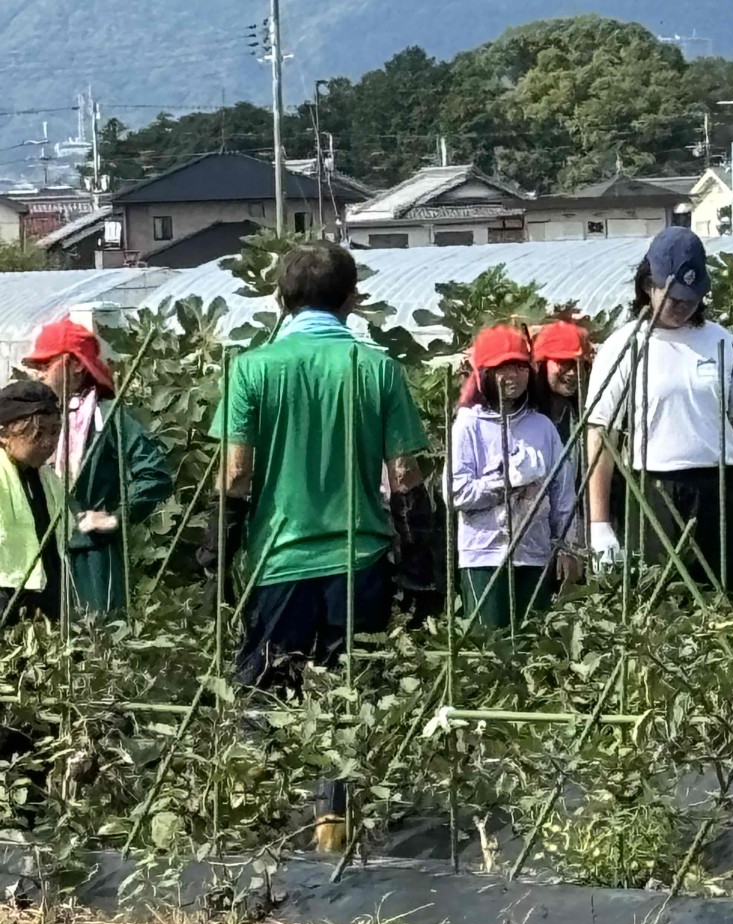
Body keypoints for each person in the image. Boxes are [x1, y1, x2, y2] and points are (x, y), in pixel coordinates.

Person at [200, 241, 436, 850]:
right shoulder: (375, 368)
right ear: (352, 299)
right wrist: (419, 567)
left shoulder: (253, 369)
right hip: (359, 559)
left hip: (279, 559)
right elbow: (404, 475)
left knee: (263, 690)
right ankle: (334, 819)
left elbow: (235, 474)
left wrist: (217, 555)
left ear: (280, 298)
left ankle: (258, 822)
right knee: (348, 695)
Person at [586, 227, 733, 589]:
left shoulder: (720, 341)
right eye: (674, 298)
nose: (682, 307)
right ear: (649, 285)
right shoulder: (623, 346)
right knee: (663, 601)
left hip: (720, 492)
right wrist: (599, 524)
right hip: (654, 494)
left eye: (691, 299)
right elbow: (601, 435)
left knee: (729, 597)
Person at [24, 318, 172, 615]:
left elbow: (155, 473)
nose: (39, 373)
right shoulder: (31, 422)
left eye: (47, 364)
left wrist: (116, 516)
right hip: (40, 553)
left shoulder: (107, 417)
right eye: (37, 366)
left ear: (76, 366)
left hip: (91, 556)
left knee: (96, 634)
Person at [448, 324, 579, 628]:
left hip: (534, 554)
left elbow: (562, 495)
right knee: (490, 642)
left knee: (534, 640)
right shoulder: (469, 425)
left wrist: (567, 546)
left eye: (520, 367)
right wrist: (505, 483)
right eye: (503, 368)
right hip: (485, 555)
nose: (514, 376)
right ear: (485, 373)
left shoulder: (541, 427)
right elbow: (456, 493)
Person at [0, 381, 63, 623]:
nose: (49, 443)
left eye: (54, 432)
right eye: (37, 434)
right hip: (6, 595)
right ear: (4, 434)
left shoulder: (46, 478)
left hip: (43, 599)